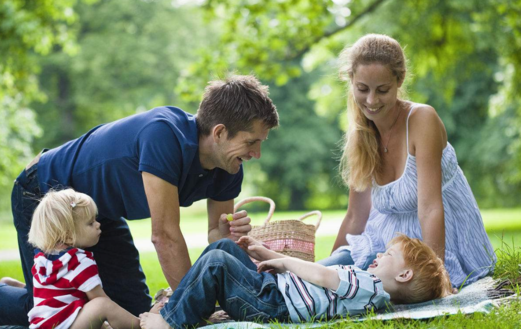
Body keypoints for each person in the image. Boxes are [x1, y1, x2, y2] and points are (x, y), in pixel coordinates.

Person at [1, 74, 280, 326]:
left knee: (131, 312)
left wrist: (223, 237)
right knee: (49, 313)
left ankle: (28, 284)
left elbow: (215, 235)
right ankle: (20, 292)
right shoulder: (164, 136)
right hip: (47, 195)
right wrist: (195, 311)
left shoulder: (229, 166)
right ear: (219, 133)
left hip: (98, 215)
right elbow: (165, 236)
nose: (256, 154)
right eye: (251, 142)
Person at [318, 34, 495, 289]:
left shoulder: (422, 119)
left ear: (399, 80)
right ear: (351, 82)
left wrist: (438, 277)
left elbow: (430, 209)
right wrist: (327, 271)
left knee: (377, 292)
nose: (371, 101)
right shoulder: (360, 132)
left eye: (382, 90)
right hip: (384, 246)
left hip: (431, 246)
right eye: (362, 89)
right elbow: (356, 216)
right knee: (316, 277)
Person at [138, 236, 451, 329]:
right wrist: (266, 254)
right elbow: (313, 276)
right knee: (224, 248)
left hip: (273, 304)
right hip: (276, 293)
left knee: (216, 262)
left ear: (404, 275)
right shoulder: (367, 286)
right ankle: (181, 309)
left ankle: (169, 323)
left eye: (389, 255)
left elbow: (320, 274)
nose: (380, 255)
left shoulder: (370, 287)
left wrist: (284, 261)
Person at [1, 189, 164, 329]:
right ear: (68, 233)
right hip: (63, 325)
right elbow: (98, 298)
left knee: (10, 282)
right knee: (102, 305)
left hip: (44, 324)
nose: (98, 225)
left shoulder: (43, 258)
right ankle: (140, 324)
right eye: (90, 222)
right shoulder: (79, 261)